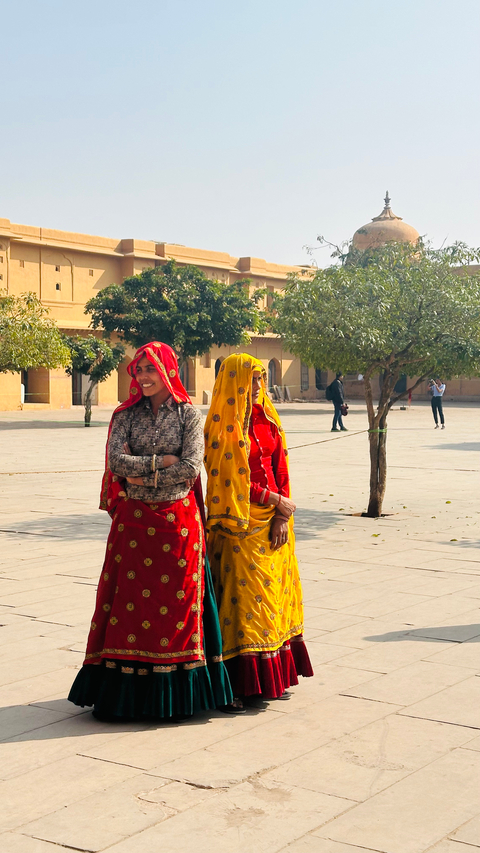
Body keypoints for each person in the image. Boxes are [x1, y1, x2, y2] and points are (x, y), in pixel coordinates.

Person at [68, 341, 232, 721]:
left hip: (178, 525)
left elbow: (191, 466)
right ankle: (125, 695)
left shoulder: (188, 414)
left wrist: (142, 472)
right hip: (135, 525)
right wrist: (163, 463)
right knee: (129, 609)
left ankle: (179, 696)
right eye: (139, 370)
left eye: (150, 369)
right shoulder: (125, 415)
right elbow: (115, 461)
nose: (142, 377)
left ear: (168, 371)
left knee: (176, 609)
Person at [204, 353, 313, 713]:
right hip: (238, 525)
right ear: (233, 381)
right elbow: (230, 482)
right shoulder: (224, 426)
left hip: (274, 522)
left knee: (272, 599)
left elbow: (281, 465)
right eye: (251, 379)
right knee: (241, 603)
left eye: (260, 379)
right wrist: (275, 500)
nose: (257, 387)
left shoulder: (268, 417)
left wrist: (282, 512)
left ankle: (270, 679)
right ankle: (235, 684)